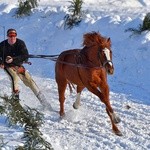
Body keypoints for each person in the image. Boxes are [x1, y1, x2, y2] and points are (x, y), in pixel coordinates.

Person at [0, 28, 52, 110]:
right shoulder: (2, 45)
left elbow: (25, 56)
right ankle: (16, 103)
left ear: (16, 36)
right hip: (8, 66)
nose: (12, 37)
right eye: (10, 36)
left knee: (30, 81)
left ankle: (44, 102)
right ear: (7, 36)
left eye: (14, 35)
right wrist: (1, 63)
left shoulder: (20, 43)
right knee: (15, 78)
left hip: (18, 66)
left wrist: (13, 59)